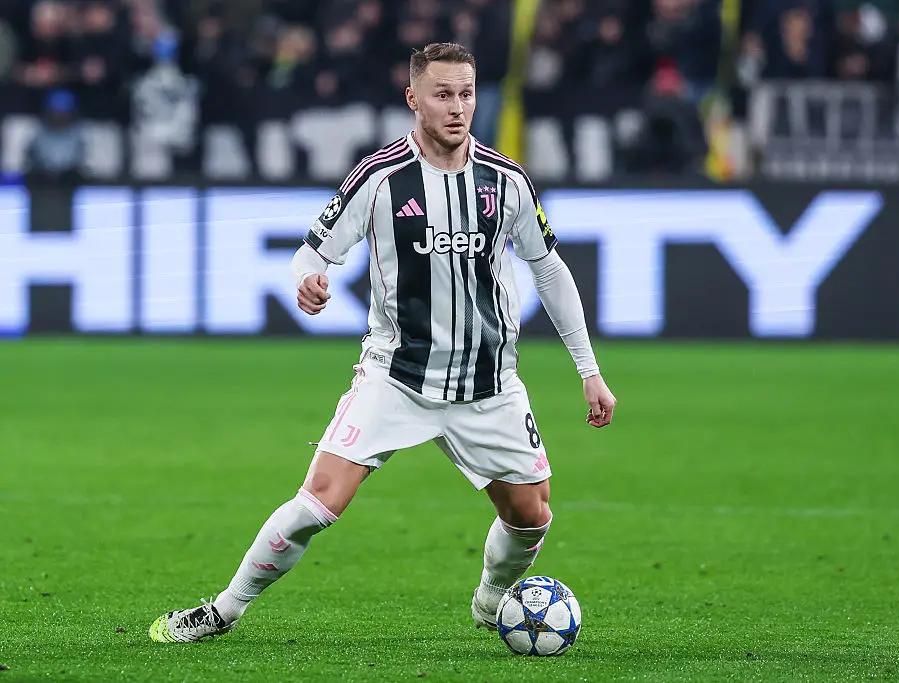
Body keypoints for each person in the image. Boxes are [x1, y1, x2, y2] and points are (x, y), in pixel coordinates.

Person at [149, 42, 617, 643]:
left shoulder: (507, 183)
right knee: (318, 502)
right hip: (396, 377)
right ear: (413, 99)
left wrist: (589, 369)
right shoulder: (378, 179)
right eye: (443, 94)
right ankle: (222, 611)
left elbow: (549, 270)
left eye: (466, 94)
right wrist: (307, 280)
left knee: (531, 516)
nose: (457, 108)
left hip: (487, 384)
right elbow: (310, 251)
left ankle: (492, 598)